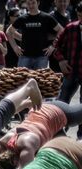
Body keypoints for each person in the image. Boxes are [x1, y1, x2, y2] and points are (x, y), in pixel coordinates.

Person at [0, 100, 82, 169]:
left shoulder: (27, 148)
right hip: (41, 114)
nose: (18, 166)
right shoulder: (2, 143)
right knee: (70, 156)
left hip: (58, 112)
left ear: (14, 162)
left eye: (16, 167)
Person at [52, 2, 82, 139]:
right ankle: (57, 132)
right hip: (71, 72)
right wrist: (61, 60)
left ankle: (81, 136)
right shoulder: (70, 28)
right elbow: (56, 46)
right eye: (80, 15)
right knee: (62, 102)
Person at [7, 0, 62, 70]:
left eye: (33, 3)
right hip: (24, 56)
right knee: (22, 80)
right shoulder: (22, 18)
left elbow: (61, 30)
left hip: (42, 57)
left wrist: (53, 46)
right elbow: (9, 32)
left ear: (38, 3)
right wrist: (15, 47)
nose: (31, 6)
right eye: (28, 3)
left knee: (40, 80)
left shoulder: (46, 17)